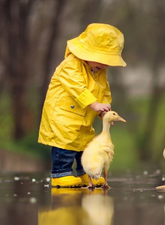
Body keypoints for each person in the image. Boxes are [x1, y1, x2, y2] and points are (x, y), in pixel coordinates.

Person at [38, 23, 126, 188]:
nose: (104, 65)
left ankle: (87, 173)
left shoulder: (99, 71)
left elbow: (105, 92)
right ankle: (60, 174)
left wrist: (104, 111)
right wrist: (93, 103)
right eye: (101, 59)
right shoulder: (70, 65)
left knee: (85, 145)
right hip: (63, 116)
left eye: (108, 62)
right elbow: (76, 87)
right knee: (65, 144)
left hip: (84, 117)